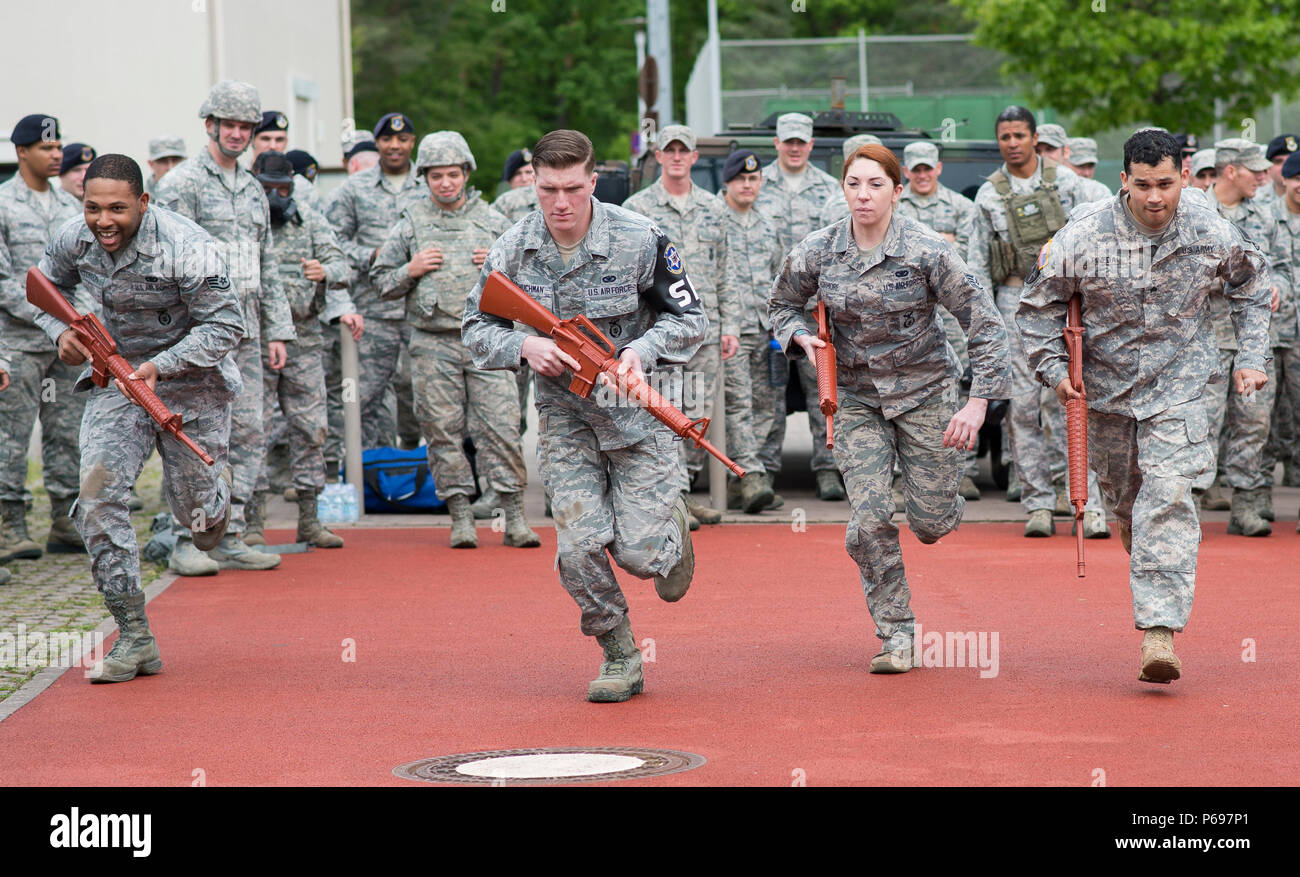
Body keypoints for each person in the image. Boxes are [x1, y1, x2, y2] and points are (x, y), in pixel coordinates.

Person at [1018, 129, 1270, 683]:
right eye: (1143, 185)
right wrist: (1055, 373)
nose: (1155, 198)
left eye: (1165, 184)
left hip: (1180, 387)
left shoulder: (1209, 227)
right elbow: (1036, 308)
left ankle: (1159, 632)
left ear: (1183, 176)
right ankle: (1156, 580)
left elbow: (1252, 286)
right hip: (1105, 395)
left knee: (1170, 496)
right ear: (1123, 180)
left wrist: (1252, 356)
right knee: (1132, 510)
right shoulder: (1083, 236)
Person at [462, 129, 705, 703]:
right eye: (549, 189)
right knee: (577, 547)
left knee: (640, 556)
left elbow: (691, 321)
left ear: (594, 182)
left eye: (573, 187)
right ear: (534, 186)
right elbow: (474, 328)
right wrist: (523, 349)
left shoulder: (640, 238)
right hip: (565, 417)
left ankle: (670, 528)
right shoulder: (512, 249)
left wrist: (641, 352)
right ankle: (619, 654)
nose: (561, 202)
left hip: (638, 418)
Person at [771, 143, 1011, 674]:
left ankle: (942, 501)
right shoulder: (818, 250)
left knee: (930, 524)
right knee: (871, 517)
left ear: (898, 191)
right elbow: (781, 305)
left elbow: (986, 325)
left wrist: (977, 404)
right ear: (842, 189)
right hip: (856, 399)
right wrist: (799, 337)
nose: (863, 195)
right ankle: (897, 634)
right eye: (854, 183)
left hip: (926, 393)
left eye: (876, 185)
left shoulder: (928, 250)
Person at [34, 154, 243, 682]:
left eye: (118, 209)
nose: (104, 220)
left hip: (192, 384)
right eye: (93, 208)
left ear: (144, 203)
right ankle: (133, 636)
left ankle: (216, 497)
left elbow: (226, 326)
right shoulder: (73, 239)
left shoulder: (189, 246)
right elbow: (41, 290)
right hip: (114, 381)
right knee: (98, 496)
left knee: (198, 521)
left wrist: (159, 365)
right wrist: (61, 335)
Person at [154, 79, 295, 574]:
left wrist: (278, 330)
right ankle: (185, 539)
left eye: (245, 126)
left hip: (248, 332)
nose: (237, 134)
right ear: (209, 124)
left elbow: (267, 263)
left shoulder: (254, 188)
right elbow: (162, 266)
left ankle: (229, 532)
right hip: (196, 337)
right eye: (228, 124)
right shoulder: (181, 185)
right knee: (195, 437)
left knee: (250, 433)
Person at [372, 131, 537, 549]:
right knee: (442, 430)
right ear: (423, 177)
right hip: (432, 343)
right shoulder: (410, 223)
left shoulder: (493, 221)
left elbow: (532, 283)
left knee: (500, 427)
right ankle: (461, 517)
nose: (446, 183)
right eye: (436, 176)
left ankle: (511, 517)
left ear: (466, 173)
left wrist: (498, 270)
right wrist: (410, 270)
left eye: (453, 174)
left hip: (487, 341)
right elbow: (379, 283)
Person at [967, 106, 1101, 537]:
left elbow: (1099, 236)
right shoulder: (988, 195)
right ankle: (1038, 503)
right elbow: (976, 263)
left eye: (1019, 135)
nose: (1012, 143)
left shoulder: (1069, 184)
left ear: (1033, 137)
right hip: (1013, 300)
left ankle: (1080, 495)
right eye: (1004, 136)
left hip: (1068, 303)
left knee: (1073, 398)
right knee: (1023, 407)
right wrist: (983, 324)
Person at [623, 124, 748, 526]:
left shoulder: (715, 208)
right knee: (661, 413)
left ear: (695, 157)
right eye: (669, 150)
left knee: (694, 414)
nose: (677, 157)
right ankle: (670, 499)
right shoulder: (636, 207)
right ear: (657, 156)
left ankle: (684, 492)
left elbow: (728, 272)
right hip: (655, 332)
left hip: (702, 332)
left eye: (684, 151)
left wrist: (730, 325)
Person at [245, 150, 361, 549]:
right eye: (267, 188)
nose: (276, 196)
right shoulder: (244, 224)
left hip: (304, 338)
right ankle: (251, 521)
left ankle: (310, 519)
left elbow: (343, 265)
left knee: (311, 428)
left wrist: (325, 271)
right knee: (252, 431)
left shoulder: (308, 219)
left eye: (283, 188)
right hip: (254, 340)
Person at [0, 113, 89, 561]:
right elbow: (2, 282)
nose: (57, 154)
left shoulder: (70, 208)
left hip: (65, 345)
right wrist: (54, 320)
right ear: (21, 152)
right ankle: (9, 525)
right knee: (10, 436)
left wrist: (77, 321)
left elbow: (83, 273)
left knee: (66, 431)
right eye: (46, 148)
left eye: (58, 147)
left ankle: (64, 519)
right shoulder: (2, 205)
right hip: (17, 343)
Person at [755, 112, 847, 500]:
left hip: (815, 310)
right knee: (766, 396)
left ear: (811, 145)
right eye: (787, 141)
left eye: (801, 142)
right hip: (768, 309)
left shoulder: (831, 191)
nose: (794, 148)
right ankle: (760, 473)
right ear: (776, 143)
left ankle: (828, 470)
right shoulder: (754, 186)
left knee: (821, 391)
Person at [325, 112, 425, 454]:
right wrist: (371, 255)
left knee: (424, 391)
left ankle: (414, 458)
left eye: (402, 139)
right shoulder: (355, 188)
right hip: (373, 309)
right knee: (364, 394)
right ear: (377, 143)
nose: (394, 146)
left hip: (421, 308)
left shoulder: (429, 186)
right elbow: (333, 242)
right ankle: (361, 470)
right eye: (387, 139)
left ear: (412, 142)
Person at [1201, 138, 1287, 532]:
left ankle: (1246, 505)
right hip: (1207, 340)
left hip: (1253, 341)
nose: (1266, 175)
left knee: (1254, 422)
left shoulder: (1267, 213)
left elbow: (1283, 265)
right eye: (1256, 170)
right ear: (1231, 171)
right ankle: (1187, 506)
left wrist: (1277, 287)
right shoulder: (1195, 211)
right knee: (1202, 422)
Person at [893, 140, 983, 501]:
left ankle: (964, 469)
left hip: (952, 311)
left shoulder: (962, 207)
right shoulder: (895, 207)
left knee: (959, 388)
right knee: (907, 388)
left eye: (928, 167)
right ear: (906, 171)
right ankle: (904, 474)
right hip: (907, 315)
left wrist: (928, 247)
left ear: (939, 168)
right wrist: (942, 242)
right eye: (915, 169)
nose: (922, 174)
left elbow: (968, 255)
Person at [719, 148, 786, 513]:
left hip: (765, 330)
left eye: (753, 179)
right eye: (741, 180)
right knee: (738, 404)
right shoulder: (714, 219)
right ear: (727, 182)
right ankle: (750, 477)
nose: (748, 185)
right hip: (730, 331)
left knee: (767, 406)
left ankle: (740, 479)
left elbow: (780, 276)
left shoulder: (767, 221)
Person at [1271, 153, 1300, 506]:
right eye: (1296, 179)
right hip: (1272, 332)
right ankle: (1254, 498)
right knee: (1260, 420)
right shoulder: (1266, 217)